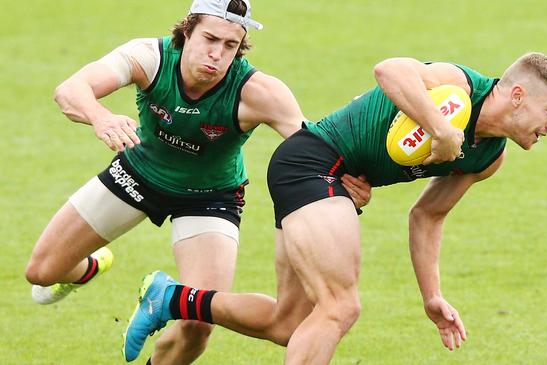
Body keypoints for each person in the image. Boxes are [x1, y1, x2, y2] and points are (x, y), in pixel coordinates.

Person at [122, 52, 547, 364]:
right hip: (311, 162)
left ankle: (169, 298)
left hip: (332, 183)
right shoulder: (458, 86)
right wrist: (439, 129)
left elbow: (427, 215)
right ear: (517, 96)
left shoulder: (488, 157)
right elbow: (390, 70)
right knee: (340, 307)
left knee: (289, 323)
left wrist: (431, 295)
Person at [24, 1, 371, 364]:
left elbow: (314, 149)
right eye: (210, 38)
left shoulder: (258, 92)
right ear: (186, 30)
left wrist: (345, 188)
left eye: (230, 46)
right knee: (42, 272)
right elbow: (70, 90)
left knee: (197, 323)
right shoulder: (149, 57)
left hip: (210, 198)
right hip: (138, 173)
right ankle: (89, 267)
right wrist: (100, 117)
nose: (217, 54)